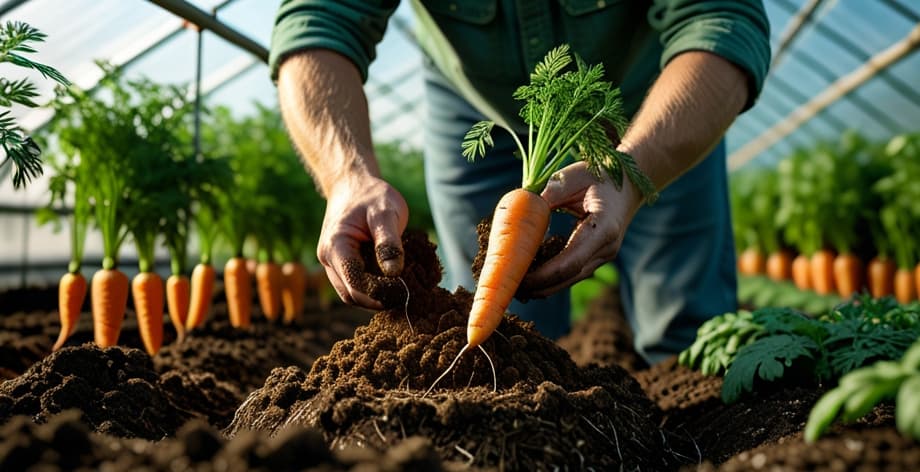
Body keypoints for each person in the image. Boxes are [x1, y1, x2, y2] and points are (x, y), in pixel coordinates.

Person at [269, 0, 771, 364]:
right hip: (474, 104)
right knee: (497, 330)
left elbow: (723, 18)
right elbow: (318, 17)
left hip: (655, 105)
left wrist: (631, 168)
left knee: (688, 328)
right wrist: (347, 176)